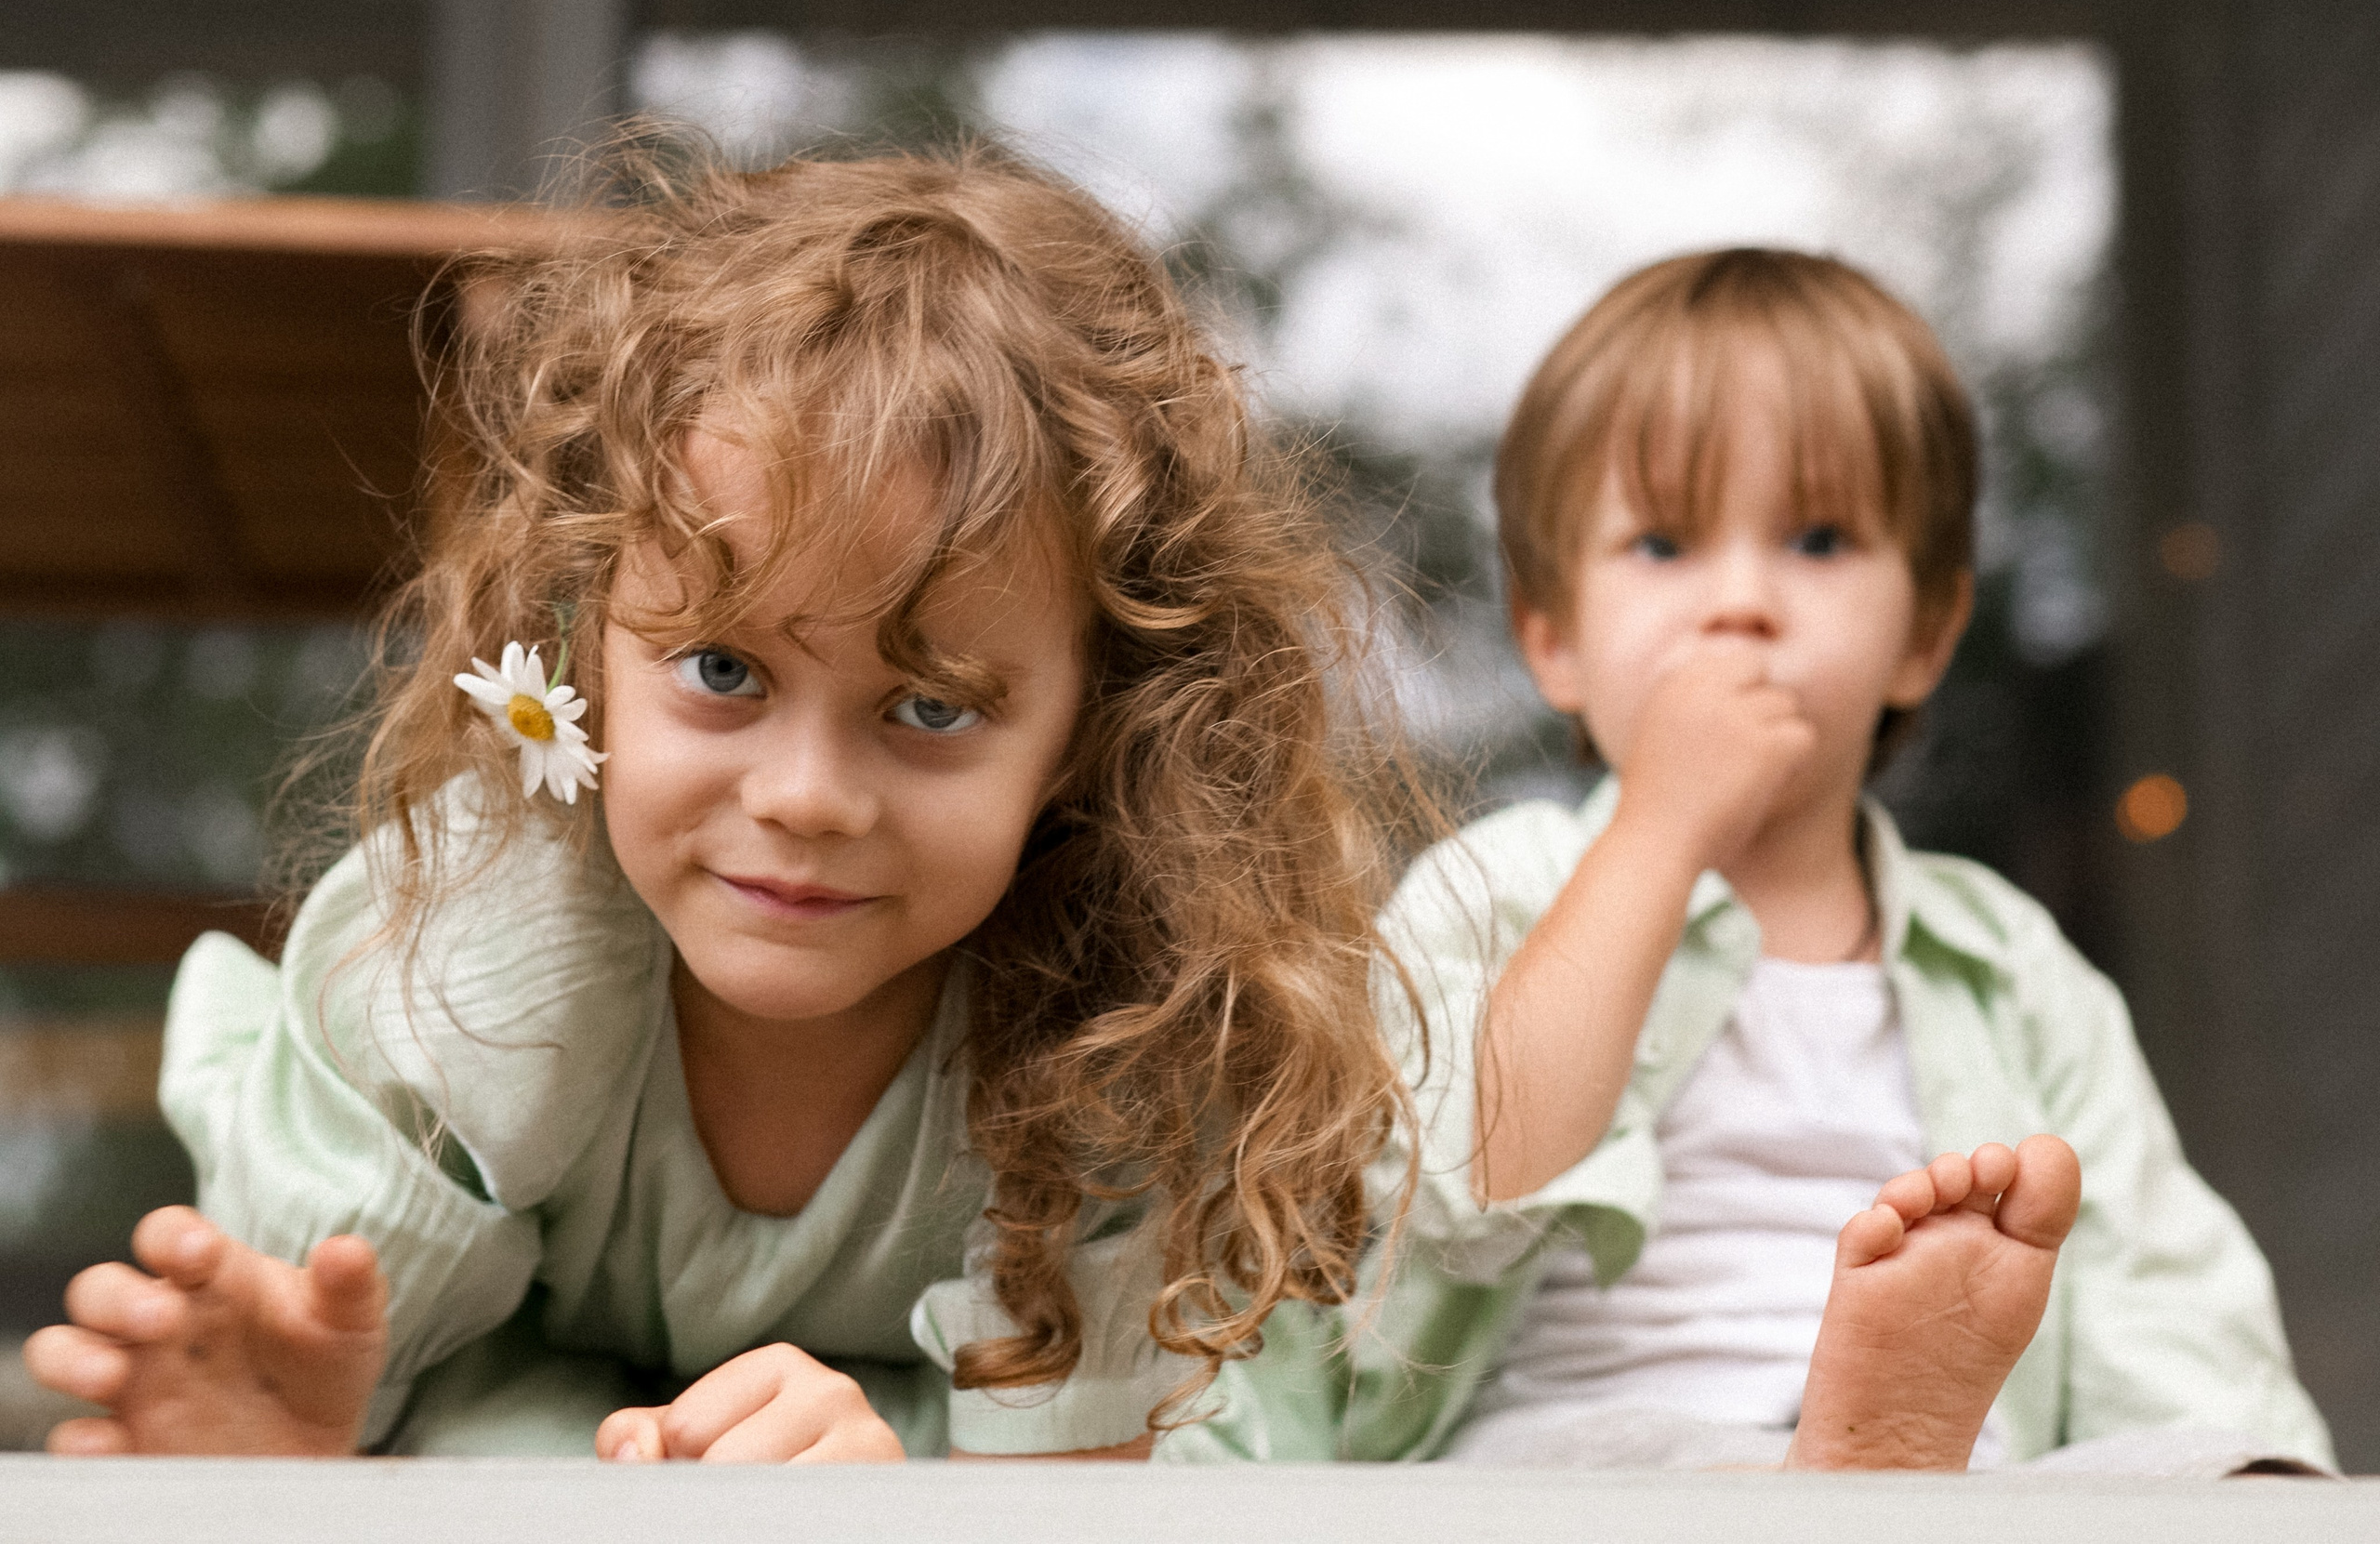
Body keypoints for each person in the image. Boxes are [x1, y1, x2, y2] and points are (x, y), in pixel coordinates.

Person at [21, 144, 1420, 1463]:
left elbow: (1083, 1485)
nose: (808, 799)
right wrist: (304, 1438)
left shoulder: (1129, 1019)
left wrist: (897, 1496)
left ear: (1082, 736)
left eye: (931, 707)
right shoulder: (477, 965)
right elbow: (313, 1391)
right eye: (724, 669)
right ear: (583, 655)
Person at [1171, 247, 2332, 1474]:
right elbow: (1469, 1184)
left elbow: (2151, 1277)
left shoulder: (2008, 963)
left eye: (1819, 540)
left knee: (2208, 1472)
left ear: (1924, 638)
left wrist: (2235, 1464)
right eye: (1664, 546)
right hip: (1591, 1449)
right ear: (1554, 640)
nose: (1742, 602)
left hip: (1968, 1476)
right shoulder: (1500, 886)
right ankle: (1836, 1478)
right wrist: (1660, 833)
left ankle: (1871, 1472)